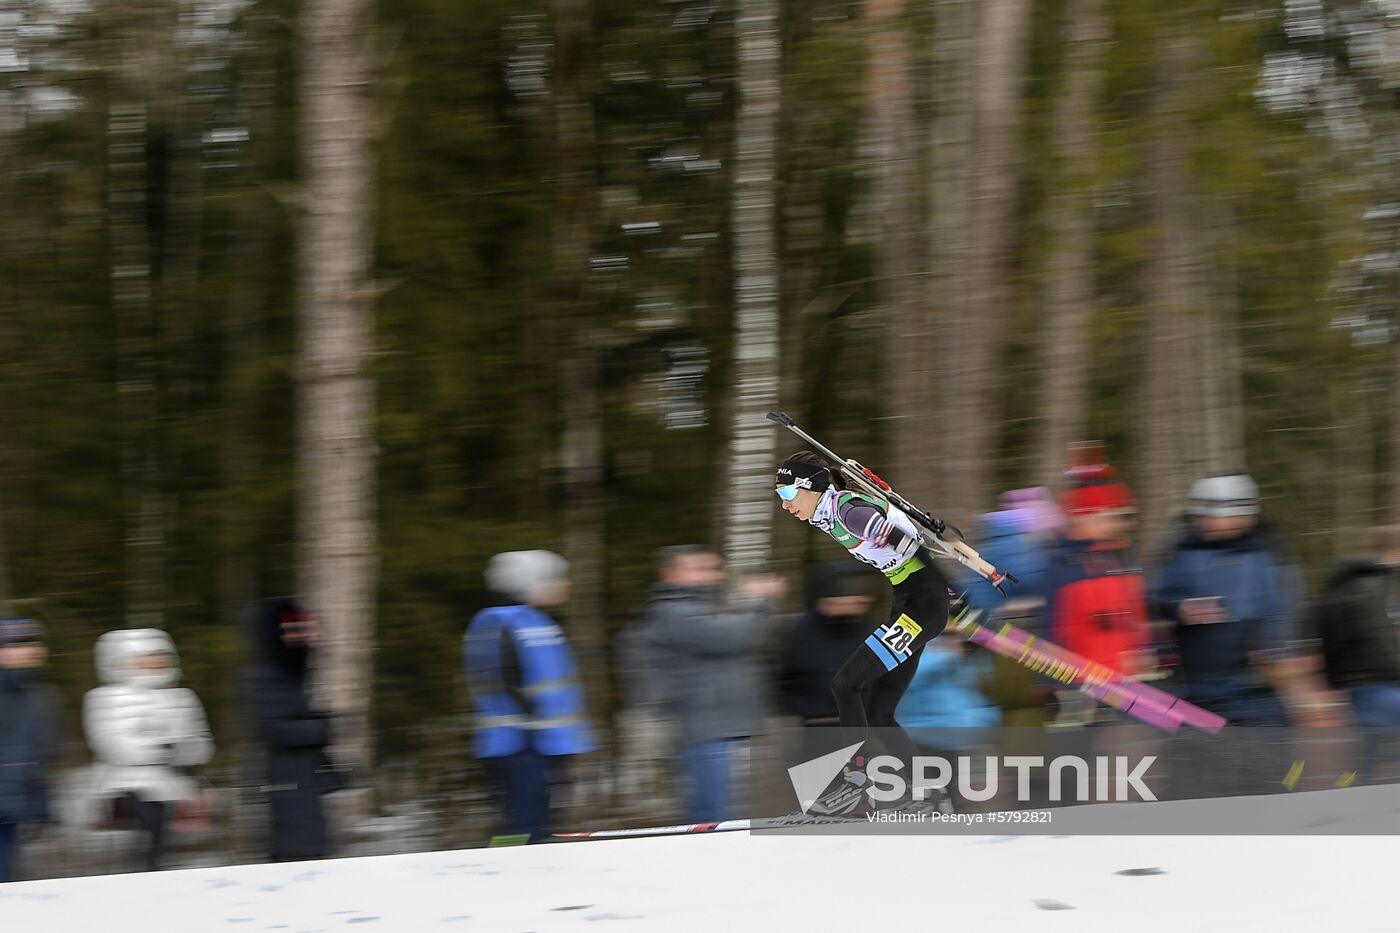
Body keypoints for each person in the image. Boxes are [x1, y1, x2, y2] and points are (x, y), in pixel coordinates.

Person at [773, 450, 950, 813]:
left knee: (845, 684)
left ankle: (856, 781)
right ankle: (927, 793)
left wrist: (951, 588)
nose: (786, 505)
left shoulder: (846, 511)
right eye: (780, 498)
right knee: (878, 711)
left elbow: (905, 542)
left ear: (811, 487)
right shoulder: (831, 510)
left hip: (921, 606)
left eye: (789, 495)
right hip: (909, 602)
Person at [1151, 472, 1322, 726]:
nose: (1209, 523)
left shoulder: (1267, 552)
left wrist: (1282, 651)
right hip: (1196, 683)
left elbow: (1285, 607)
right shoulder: (1182, 550)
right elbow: (1153, 598)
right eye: (1205, 517)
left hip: (1253, 686)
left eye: (1236, 517)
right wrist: (1180, 608)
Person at [635, 546, 785, 822]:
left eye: (715, 569)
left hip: (721, 730)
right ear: (670, 574)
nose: (714, 576)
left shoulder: (700, 610)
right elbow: (727, 638)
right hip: (704, 733)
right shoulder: (674, 613)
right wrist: (759, 602)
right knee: (712, 818)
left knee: (727, 816)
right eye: (701, 569)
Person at [464, 550, 595, 844]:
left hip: (546, 745)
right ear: (531, 583)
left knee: (541, 824)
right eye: (555, 579)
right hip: (518, 746)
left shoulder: (535, 620)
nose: (565, 585)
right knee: (522, 825)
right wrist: (532, 725)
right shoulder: (496, 621)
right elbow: (500, 678)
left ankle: (537, 876)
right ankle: (504, 876)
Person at [84, 628, 214, 871]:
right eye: (145, 658)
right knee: (143, 836)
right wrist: (162, 750)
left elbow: (201, 741)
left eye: (159, 657)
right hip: (125, 789)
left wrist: (184, 751)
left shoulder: (182, 698)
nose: (153, 663)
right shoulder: (104, 698)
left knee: (165, 845)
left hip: (175, 788)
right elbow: (110, 742)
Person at [245, 598, 338, 862]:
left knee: (311, 854)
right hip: (283, 787)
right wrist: (321, 728)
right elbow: (277, 728)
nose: (304, 636)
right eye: (294, 630)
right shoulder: (265, 676)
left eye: (305, 629)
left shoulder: (295, 675)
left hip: (303, 784)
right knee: (292, 859)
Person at [1314, 525, 1400, 726]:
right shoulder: (1372, 587)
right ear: (1394, 551)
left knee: (1370, 751)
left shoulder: (1349, 583)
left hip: (1360, 688)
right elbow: (1381, 641)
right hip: (1380, 686)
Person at [775, 561, 881, 726]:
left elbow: (881, 678)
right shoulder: (803, 630)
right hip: (818, 722)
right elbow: (789, 677)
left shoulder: (869, 631)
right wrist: (807, 710)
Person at [0, 618, 61, 883]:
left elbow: (39, 755)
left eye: (35, 642)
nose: (33, 649)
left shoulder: (40, 693)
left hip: (11, 808)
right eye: (20, 644)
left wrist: (38, 801)